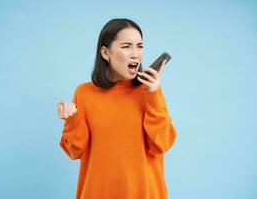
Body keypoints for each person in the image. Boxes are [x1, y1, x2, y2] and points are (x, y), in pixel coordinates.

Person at [57, 18, 177, 199]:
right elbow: (75, 151)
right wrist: (71, 120)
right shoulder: (84, 93)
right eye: (127, 46)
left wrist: (153, 95)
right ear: (106, 52)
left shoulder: (149, 92)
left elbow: (162, 144)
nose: (136, 54)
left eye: (140, 46)